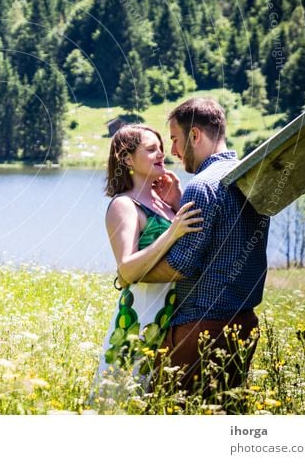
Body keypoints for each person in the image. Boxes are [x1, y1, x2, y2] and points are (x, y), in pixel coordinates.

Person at [129, 97, 270, 407]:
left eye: (176, 140)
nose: (174, 152)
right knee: (224, 412)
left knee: (171, 413)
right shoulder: (251, 175)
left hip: (202, 328)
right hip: (244, 324)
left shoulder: (202, 186)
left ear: (195, 135)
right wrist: (179, 203)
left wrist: (133, 275)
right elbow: (223, 237)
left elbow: (182, 265)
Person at [94, 124, 203, 400]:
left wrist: (176, 200)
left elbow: (192, 244)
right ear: (127, 159)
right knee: (117, 406)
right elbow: (127, 270)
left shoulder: (162, 201)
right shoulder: (124, 205)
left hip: (169, 324)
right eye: (151, 149)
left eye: (162, 148)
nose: (161, 154)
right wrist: (171, 231)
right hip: (136, 325)